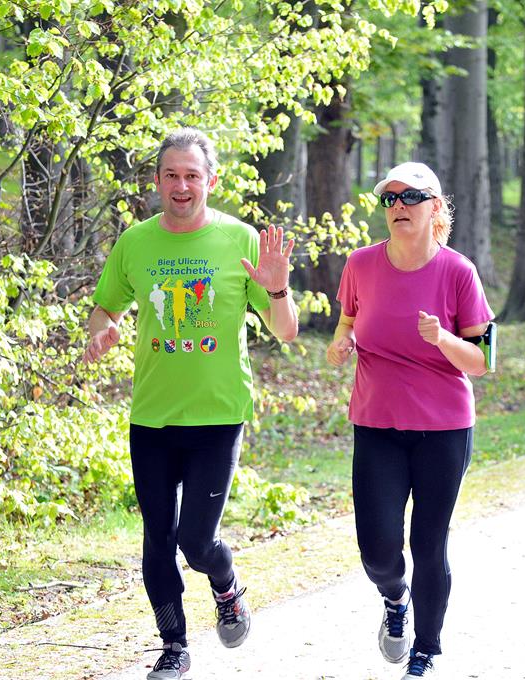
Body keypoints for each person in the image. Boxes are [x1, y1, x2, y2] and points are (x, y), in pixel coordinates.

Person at [83, 128, 299, 680]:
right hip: (153, 417)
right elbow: (105, 308)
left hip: (217, 416)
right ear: (157, 181)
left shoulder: (240, 239)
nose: (182, 186)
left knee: (196, 542)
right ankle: (174, 646)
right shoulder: (135, 243)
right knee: (158, 539)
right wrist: (101, 331)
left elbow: (286, 331)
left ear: (211, 180)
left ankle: (226, 586)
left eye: (192, 175)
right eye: (172, 175)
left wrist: (277, 289)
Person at [326, 161, 493, 679]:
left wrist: (443, 338)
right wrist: (340, 343)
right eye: (390, 199)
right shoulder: (361, 264)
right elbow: (347, 322)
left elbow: (482, 360)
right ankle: (395, 597)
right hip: (377, 424)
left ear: (435, 207)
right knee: (378, 550)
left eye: (411, 197)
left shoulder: (459, 272)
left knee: (428, 543)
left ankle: (426, 651)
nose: (398, 206)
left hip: (444, 429)